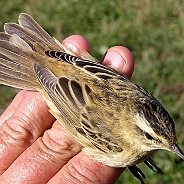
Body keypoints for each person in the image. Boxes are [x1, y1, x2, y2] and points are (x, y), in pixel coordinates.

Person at [0, 35, 134, 184]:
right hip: (66, 97)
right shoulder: (118, 143)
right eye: (149, 137)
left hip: (79, 69)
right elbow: (75, 114)